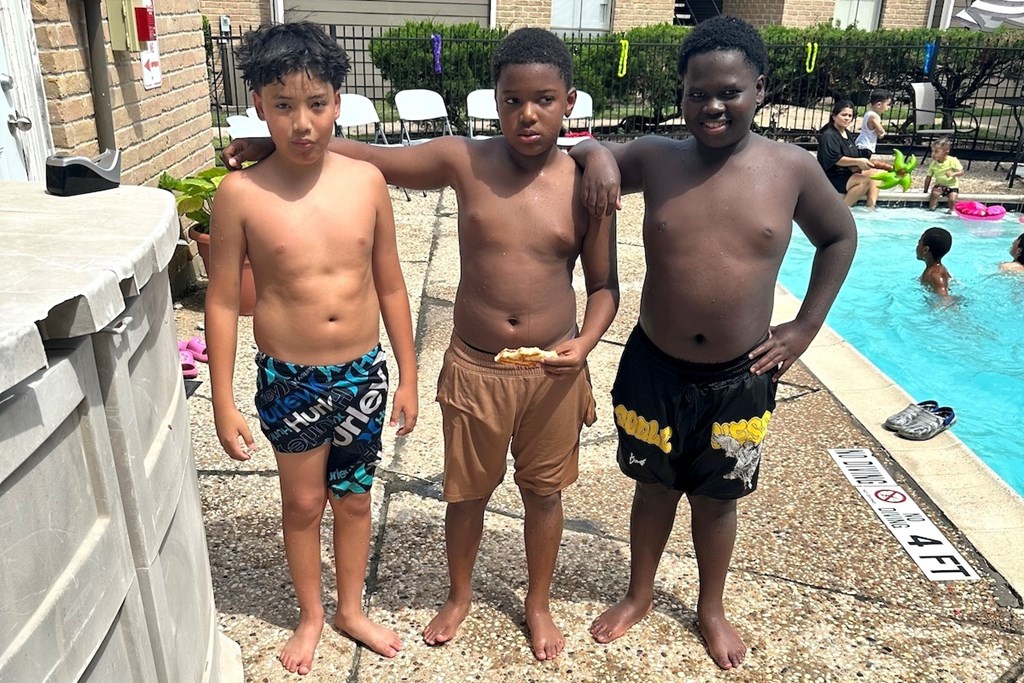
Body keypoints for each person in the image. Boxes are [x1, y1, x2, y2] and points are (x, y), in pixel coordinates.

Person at [223, 27, 618, 662]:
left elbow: (605, 285)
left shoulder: (585, 183)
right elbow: (379, 157)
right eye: (512, 100)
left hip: (552, 368)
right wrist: (270, 139)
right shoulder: (465, 160)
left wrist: (600, 153)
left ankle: (537, 603)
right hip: (475, 365)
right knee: (466, 492)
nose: (528, 113)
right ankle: (458, 595)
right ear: (493, 100)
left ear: (569, 102)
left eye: (545, 100)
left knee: (544, 493)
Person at [568, 16, 857, 670]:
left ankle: (710, 606)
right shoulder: (657, 158)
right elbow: (582, 156)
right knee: (652, 488)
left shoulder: (792, 169)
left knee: (718, 497)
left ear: (759, 88)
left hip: (740, 374)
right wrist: (591, 156)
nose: (713, 106)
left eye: (729, 91)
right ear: (682, 93)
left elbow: (840, 238)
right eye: (698, 93)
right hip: (655, 366)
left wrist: (805, 325)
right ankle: (640, 592)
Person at [206, 22, 419, 675]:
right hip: (290, 379)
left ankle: (350, 607)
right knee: (301, 502)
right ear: (258, 105)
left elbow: (389, 281)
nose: (302, 123)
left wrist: (407, 374)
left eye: (317, 104)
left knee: (354, 496)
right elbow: (219, 300)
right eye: (283, 106)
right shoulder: (240, 194)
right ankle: (312, 613)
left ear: (339, 101)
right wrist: (221, 398)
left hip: (361, 374)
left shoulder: (365, 182)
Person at [817, 99, 880, 209]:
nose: (847, 118)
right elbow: (835, 159)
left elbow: (852, 154)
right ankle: (843, 210)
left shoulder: (847, 134)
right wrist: (857, 161)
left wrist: (859, 164)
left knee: (876, 174)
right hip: (831, 176)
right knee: (863, 182)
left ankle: (871, 208)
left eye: (850, 116)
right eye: (844, 115)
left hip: (847, 172)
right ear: (834, 116)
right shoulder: (829, 135)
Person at [923, 138, 964, 212]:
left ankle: (951, 211)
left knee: (952, 199)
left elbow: (961, 172)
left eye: (936, 152)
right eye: (932, 151)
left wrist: (953, 174)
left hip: (952, 186)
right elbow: (928, 177)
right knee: (934, 194)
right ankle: (932, 209)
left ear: (946, 152)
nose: (933, 154)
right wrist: (925, 191)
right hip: (939, 185)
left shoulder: (953, 160)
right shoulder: (933, 164)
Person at [854, 89, 891, 158]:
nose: (889, 107)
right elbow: (880, 130)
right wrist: (882, 133)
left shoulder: (868, 113)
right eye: (887, 104)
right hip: (866, 146)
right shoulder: (874, 116)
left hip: (861, 143)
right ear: (879, 105)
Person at [917, 227, 953, 296]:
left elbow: (944, 298)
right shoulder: (939, 269)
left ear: (925, 250)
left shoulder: (934, 275)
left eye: (919, 243)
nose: (917, 246)